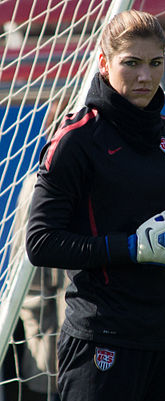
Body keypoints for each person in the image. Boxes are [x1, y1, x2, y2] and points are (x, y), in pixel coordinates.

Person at [26, 10, 165, 401]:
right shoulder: (75, 141)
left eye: (156, 63)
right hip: (102, 339)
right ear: (104, 64)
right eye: (132, 63)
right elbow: (40, 243)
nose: (145, 76)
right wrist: (132, 247)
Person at [6, 99, 68, 401]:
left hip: (104, 350)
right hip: (55, 353)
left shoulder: (106, 178)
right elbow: (30, 280)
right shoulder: (36, 189)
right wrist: (47, 344)